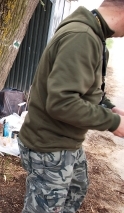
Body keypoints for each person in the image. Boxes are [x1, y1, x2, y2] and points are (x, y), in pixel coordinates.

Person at [18, 1, 124, 213]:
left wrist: (110, 108)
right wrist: (113, 123)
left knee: (76, 191)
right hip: (49, 145)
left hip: (67, 142)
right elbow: (62, 103)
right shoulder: (82, 36)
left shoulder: (94, 34)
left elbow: (84, 88)